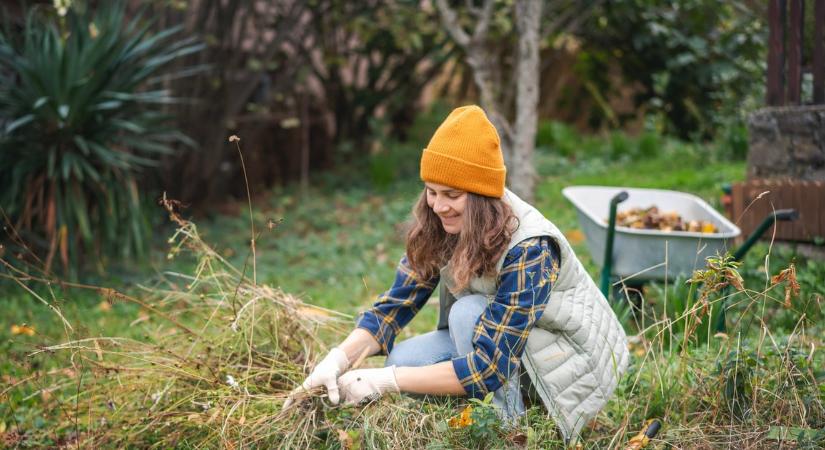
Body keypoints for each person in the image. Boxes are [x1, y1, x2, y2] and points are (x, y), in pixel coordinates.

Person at [284, 105, 629, 443]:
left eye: (452, 195)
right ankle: (481, 410)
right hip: (504, 345)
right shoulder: (443, 224)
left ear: (482, 197)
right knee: (404, 360)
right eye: (432, 192)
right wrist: (338, 360)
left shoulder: (531, 247)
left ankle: (508, 430)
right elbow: (394, 308)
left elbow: (488, 367)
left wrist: (385, 381)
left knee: (466, 314)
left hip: (562, 360)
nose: (438, 206)